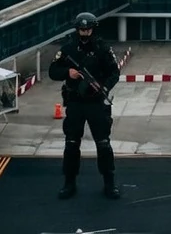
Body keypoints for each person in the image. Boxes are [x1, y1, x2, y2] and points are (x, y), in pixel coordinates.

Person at [49, 11, 121, 200]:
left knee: (103, 144)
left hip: (96, 102)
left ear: (93, 29)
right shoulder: (68, 49)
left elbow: (114, 72)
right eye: (82, 30)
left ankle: (109, 183)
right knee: (71, 144)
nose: (85, 33)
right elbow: (52, 71)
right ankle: (69, 183)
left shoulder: (102, 49)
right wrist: (68, 72)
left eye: (88, 30)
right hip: (75, 102)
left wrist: (103, 87)